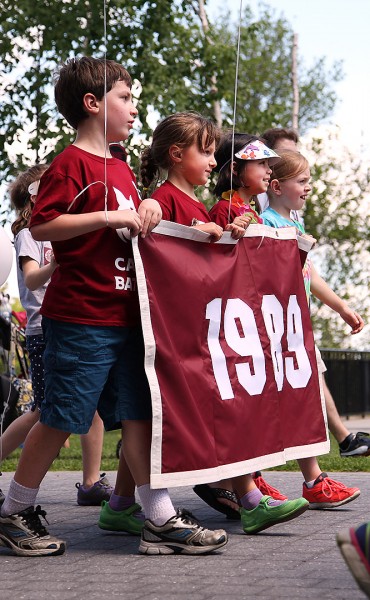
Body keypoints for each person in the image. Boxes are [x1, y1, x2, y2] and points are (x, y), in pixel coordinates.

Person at [0, 57, 227, 557]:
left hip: (127, 315)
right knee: (62, 417)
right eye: (125, 97)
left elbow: (135, 220)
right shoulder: (69, 163)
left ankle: (159, 517)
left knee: (141, 413)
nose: (133, 107)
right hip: (82, 315)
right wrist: (107, 216)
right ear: (93, 103)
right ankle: (13, 511)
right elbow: (42, 226)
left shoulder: (122, 166)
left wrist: (146, 208)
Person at [140, 112, 309, 534]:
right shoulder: (166, 196)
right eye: (206, 151)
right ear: (177, 155)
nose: (213, 161)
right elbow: (158, 219)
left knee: (147, 422)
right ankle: (250, 500)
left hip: (197, 326)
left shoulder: (200, 204)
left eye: (216, 152)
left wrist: (223, 229)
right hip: (181, 330)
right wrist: (149, 206)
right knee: (207, 412)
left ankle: (123, 504)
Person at [194, 134, 361, 520]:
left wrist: (338, 306)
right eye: (262, 164)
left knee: (295, 399)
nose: (268, 170)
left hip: (283, 324)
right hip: (257, 328)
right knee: (259, 404)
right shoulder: (233, 211)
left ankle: (288, 480)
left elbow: (301, 273)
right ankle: (248, 482)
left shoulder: (257, 212)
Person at [0, 164, 113, 508]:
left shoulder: (65, 231)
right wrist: (57, 264)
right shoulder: (29, 235)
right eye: (44, 189)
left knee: (89, 407)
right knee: (43, 412)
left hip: (70, 324)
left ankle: (91, 482)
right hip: (43, 330)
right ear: (31, 200)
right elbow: (33, 280)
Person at [261, 127, 370, 459]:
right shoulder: (264, 224)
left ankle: (316, 461)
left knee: (305, 390)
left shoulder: (295, 224)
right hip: (275, 327)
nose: (309, 187)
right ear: (277, 187)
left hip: (297, 323)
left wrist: (340, 306)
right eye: (302, 181)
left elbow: (308, 275)